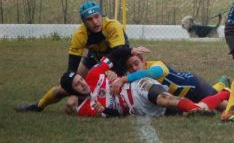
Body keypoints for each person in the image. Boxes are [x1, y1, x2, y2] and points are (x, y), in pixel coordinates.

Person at [16, 0, 132, 113]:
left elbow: (119, 53)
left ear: (101, 15)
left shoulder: (112, 25)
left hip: (121, 58)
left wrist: (110, 72)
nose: (95, 22)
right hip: (95, 57)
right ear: (84, 22)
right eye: (89, 19)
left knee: (117, 83)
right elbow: (71, 70)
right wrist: (72, 92)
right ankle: (38, 105)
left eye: (97, 16)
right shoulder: (80, 35)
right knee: (64, 87)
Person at [59, 58, 211, 118]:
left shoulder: (93, 74)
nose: (83, 83)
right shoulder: (83, 110)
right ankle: (221, 93)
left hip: (137, 87)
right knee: (181, 112)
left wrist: (115, 74)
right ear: (72, 91)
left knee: (165, 99)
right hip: (136, 108)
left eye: (81, 79)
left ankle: (195, 108)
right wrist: (104, 110)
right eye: (77, 84)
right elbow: (116, 114)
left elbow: (116, 55)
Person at [109, 50, 231, 112]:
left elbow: (151, 73)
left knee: (226, 107)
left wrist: (123, 79)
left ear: (143, 62)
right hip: (183, 96)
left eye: (136, 64)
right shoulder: (135, 76)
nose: (134, 69)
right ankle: (222, 82)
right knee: (200, 107)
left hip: (195, 86)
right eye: (130, 67)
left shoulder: (157, 66)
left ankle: (231, 92)